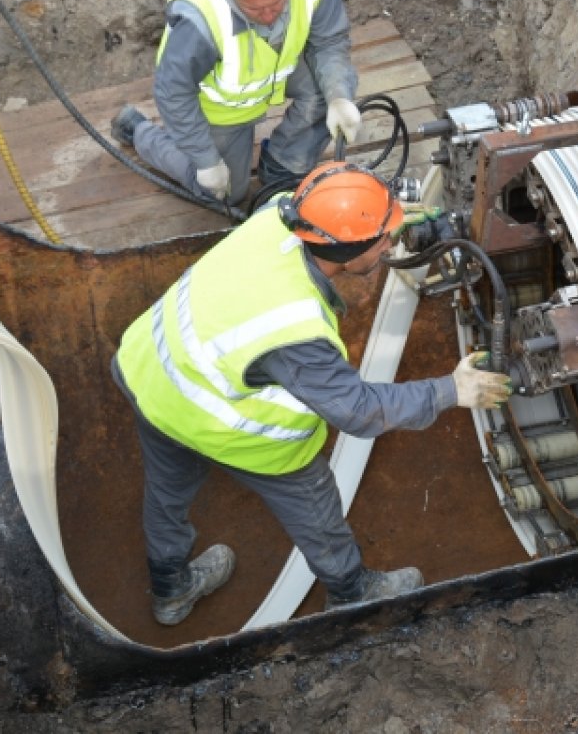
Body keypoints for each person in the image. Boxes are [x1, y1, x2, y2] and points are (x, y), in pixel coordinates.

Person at [111, 162, 513, 626]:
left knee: (167, 494)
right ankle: (351, 592)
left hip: (153, 375)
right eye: (383, 239)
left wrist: (392, 217)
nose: (390, 246)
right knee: (315, 501)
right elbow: (359, 412)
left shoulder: (276, 219)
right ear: (345, 251)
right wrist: (450, 390)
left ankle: (171, 592)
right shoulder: (294, 330)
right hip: (222, 421)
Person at [110, 0, 363, 213]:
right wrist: (206, 160)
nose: (268, 15)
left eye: (277, 2)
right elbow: (173, 92)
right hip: (222, 110)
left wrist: (338, 96)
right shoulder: (201, 20)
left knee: (332, 86)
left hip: (277, 71)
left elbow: (330, 41)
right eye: (254, 8)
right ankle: (138, 130)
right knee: (225, 193)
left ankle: (282, 166)